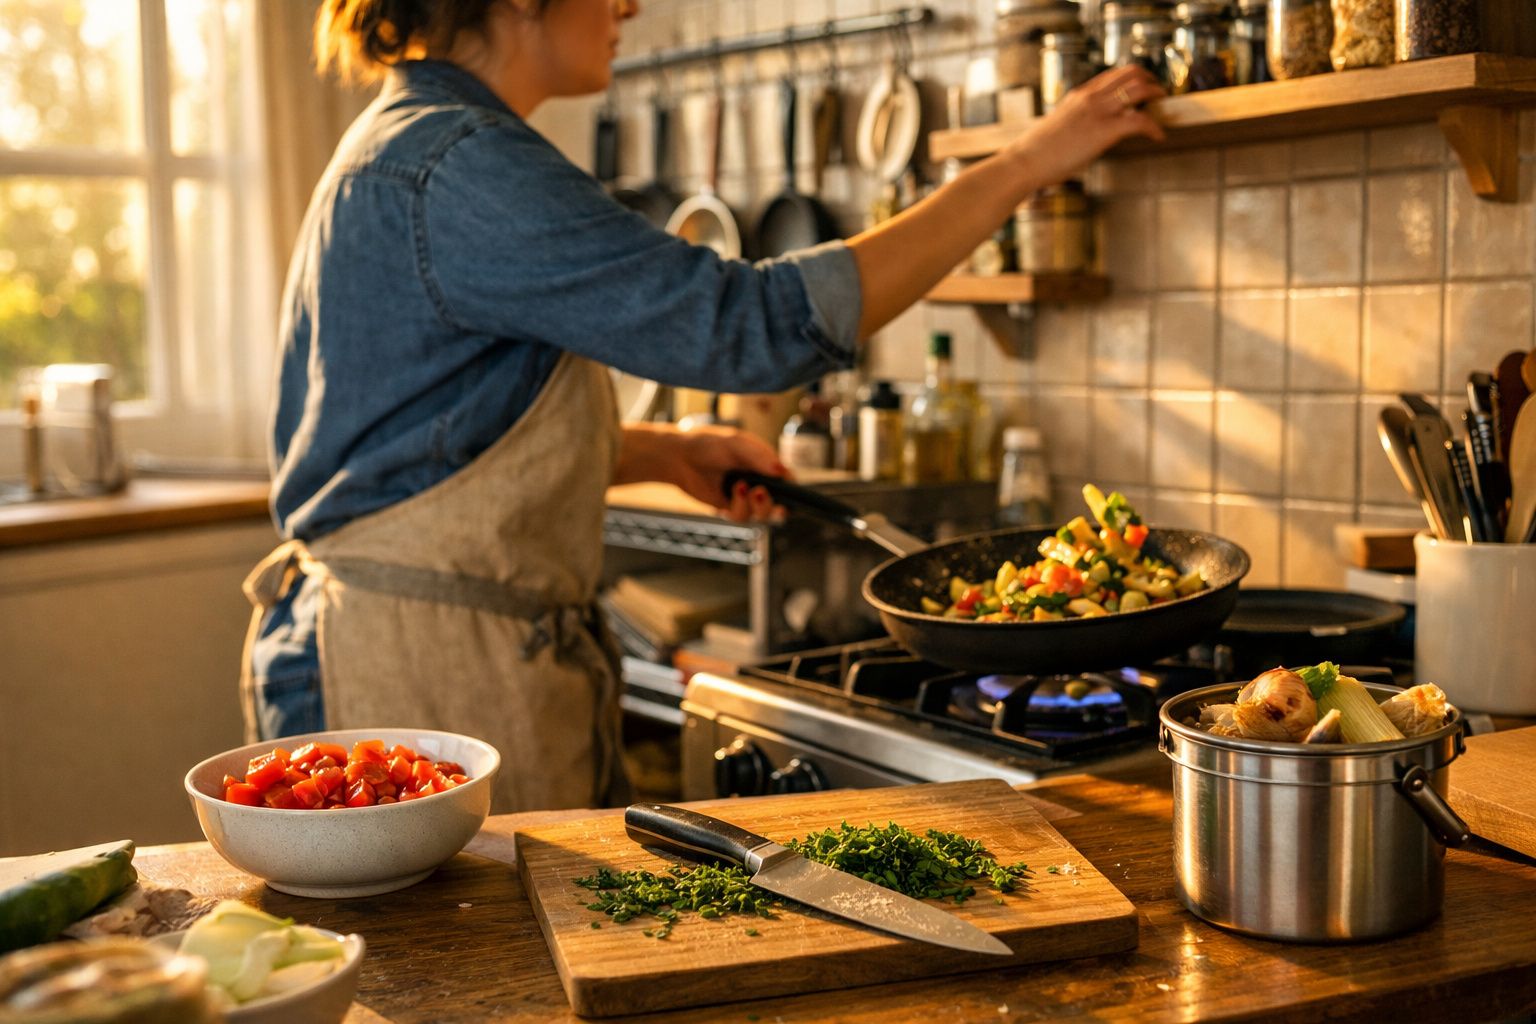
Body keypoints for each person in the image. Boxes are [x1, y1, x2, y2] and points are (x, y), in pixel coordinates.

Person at [241, 0, 1165, 813]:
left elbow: (430, 437)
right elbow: (755, 326)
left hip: (423, 651)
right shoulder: (457, 163)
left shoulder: (408, 143)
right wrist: (1031, 160)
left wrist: (665, 454)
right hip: (425, 671)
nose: (631, 6)